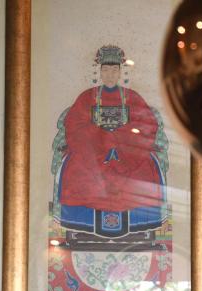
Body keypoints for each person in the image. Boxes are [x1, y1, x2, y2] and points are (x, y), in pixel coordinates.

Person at [52, 44, 168, 239]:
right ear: (99, 71)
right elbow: (75, 125)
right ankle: (80, 227)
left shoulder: (132, 97)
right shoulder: (87, 97)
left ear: (121, 72)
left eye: (114, 70)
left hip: (128, 152)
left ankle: (141, 228)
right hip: (92, 152)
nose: (110, 74)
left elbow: (146, 123)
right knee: (76, 169)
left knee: (146, 168)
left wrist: (119, 140)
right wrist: (103, 140)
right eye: (106, 70)